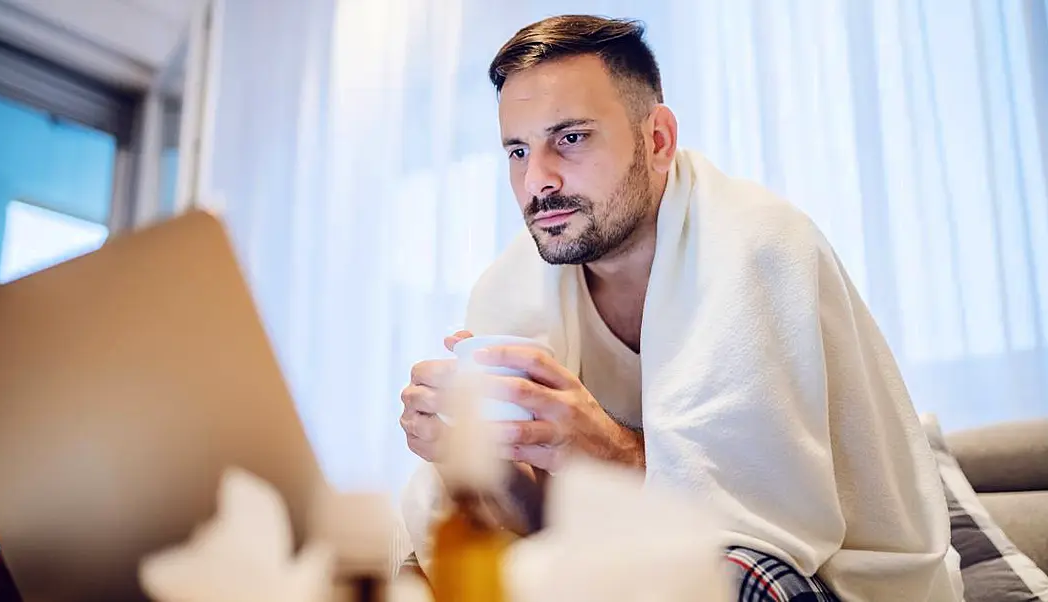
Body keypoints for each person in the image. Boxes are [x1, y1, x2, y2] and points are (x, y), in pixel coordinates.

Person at [399, 15, 963, 602]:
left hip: (832, 577)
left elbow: (763, 530)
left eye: (570, 138)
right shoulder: (509, 287)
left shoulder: (758, 247)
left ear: (658, 140)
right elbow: (543, 524)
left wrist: (608, 450)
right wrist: (482, 462)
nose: (537, 180)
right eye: (518, 150)